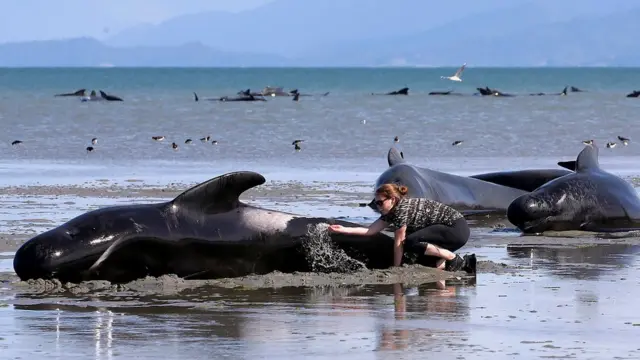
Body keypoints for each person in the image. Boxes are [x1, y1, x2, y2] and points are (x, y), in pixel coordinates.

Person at [328, 183, 476, 274]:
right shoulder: (391, 211)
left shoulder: (401, 210)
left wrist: (396, 268)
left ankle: (452, 258)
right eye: (376, 203)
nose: (377, 206)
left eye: (380, 203)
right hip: (447, 233)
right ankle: (451, 268)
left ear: (392, 199)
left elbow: (399, 243)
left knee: (410, 241)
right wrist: (342, 229)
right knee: (421, 252)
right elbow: (370, 230)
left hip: (456, 229)